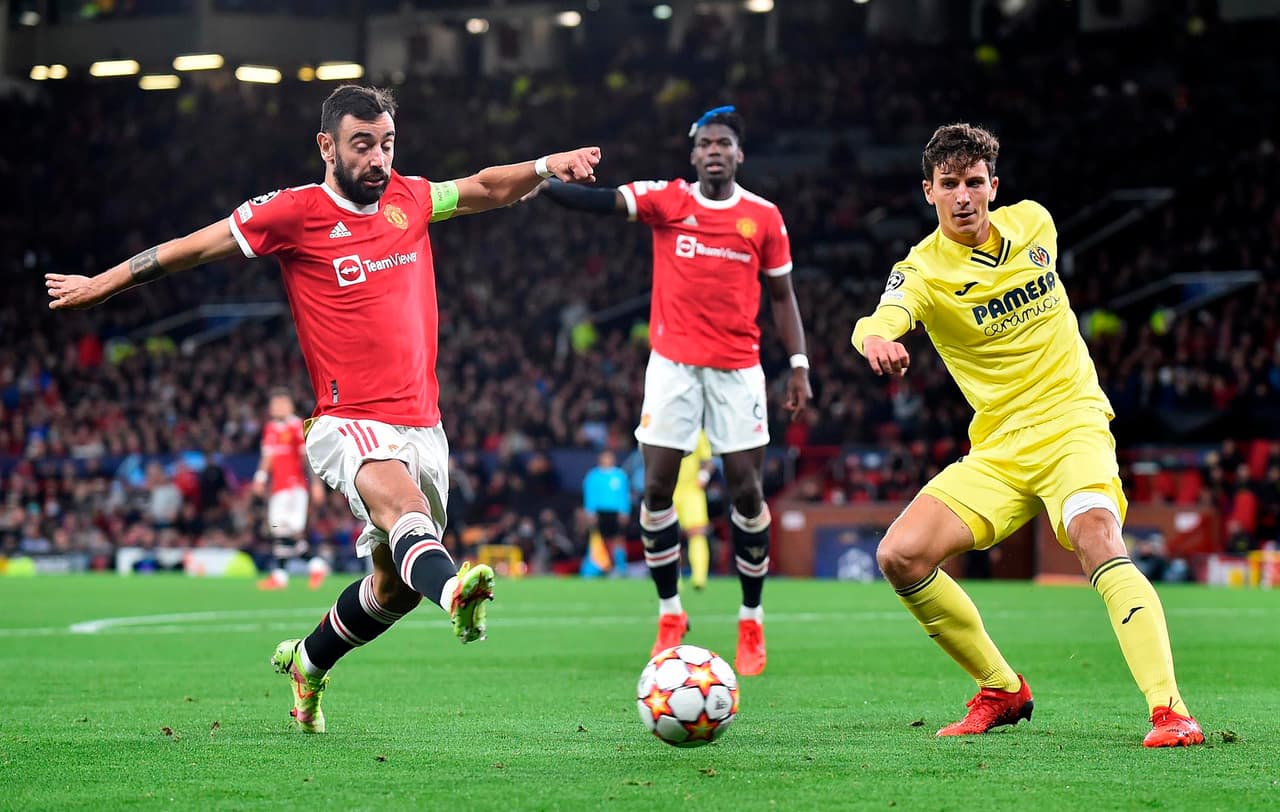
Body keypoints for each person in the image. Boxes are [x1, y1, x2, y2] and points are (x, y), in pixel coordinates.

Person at [46, 84, 601, 733]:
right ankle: (455, 592)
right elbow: (189, 249)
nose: (378, 158)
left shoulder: (411, 199)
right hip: (348, 421)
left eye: (387, 143)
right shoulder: (291, 213)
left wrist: (546, 166)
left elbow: (484, 187)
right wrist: (103, 284)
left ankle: (309, 663)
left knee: (393, 589)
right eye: (362, 144)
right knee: (407, 510)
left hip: (424, 425)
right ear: (327, 146)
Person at [850, 123, 1203, 747]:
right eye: (949, 184)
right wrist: (878, 339)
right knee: (900, 555)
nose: (963, 196)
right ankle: (1001, 688)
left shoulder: (1036, 224)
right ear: (928, 191)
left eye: (974, 182)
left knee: (1097, 536)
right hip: (1000, 447)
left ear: (994, 185)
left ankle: (1170, 711)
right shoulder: (922, 270)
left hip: (1072, 423)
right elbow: (884, 315)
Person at [530, 106, 811, 675]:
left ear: (738, 153)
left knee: (746, 493)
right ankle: (670, 612)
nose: (714, 151)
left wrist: (799, 365)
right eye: (705, 143)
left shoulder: (763, 217)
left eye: (723, 143)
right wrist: (541, 181)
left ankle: (751, 618)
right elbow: (602, 201)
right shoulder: (669, 200)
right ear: (693, 154)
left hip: (738, 370)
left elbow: (783, 297)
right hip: (673, 369)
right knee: (657, 489)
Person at [252, 388, 329, 591]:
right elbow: (268, 456)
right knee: (282, 531)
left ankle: (300, 569)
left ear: (290, 406)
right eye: (274, 404)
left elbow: (307, 457)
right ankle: (306, 568)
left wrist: (316, 484)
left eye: (281, 403)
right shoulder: (270, 428)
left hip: (294, 487)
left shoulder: (297, 426)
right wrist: (260, 478)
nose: (277, 408)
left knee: (285, 530)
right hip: (278, 488)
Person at [673, 430, 716, 590]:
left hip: (692, 490)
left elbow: (708, 460)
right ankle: (673, 580)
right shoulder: (666, 429)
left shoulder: (697, 433)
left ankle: (699, 578)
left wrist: (704, 475)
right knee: (668, 535)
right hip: (669, 488)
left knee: (697, 533)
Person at [581, 450, 631, 576]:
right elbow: (589, 494)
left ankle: (621, 568)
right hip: (599, 512)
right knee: (597, 540)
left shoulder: (620, 475)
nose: (608, 460)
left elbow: (624, 494)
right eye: (605, 457)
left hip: (615, 512)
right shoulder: (593, 476)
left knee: (618, 540)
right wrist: (590, 511)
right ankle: (594, 568)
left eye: (610, 457)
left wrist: (625, 511)